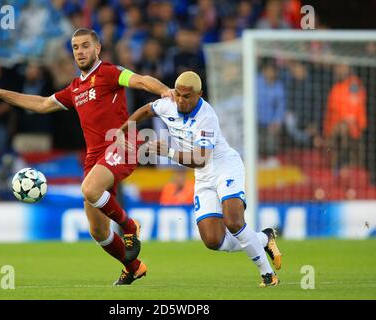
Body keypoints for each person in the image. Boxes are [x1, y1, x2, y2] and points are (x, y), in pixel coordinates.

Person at [0, 28, 173, 285]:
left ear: (97, 49)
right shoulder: (75, 88)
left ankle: (129, 226)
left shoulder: (109, 72)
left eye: (85, 46)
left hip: (121, 142)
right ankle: (134, 267)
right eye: (75, 47)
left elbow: (139, 79)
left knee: (89, 190)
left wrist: (163, 90)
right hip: (95, 156)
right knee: (98, 231)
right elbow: (41, 104)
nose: (80, 51)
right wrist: (2, 93)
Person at [117, 71, 282, 287]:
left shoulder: (207, 117)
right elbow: (147, 110)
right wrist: (124, 129)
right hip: (203, 176)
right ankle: (263, 238)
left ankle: (268, 275)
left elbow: (201, 159)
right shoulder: (167, 103)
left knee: (233, 223)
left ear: (199, 94)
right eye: (178, 94)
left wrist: (168, 152)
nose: (180, 100)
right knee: (213, 240)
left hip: (224, 167)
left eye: (187, 96)